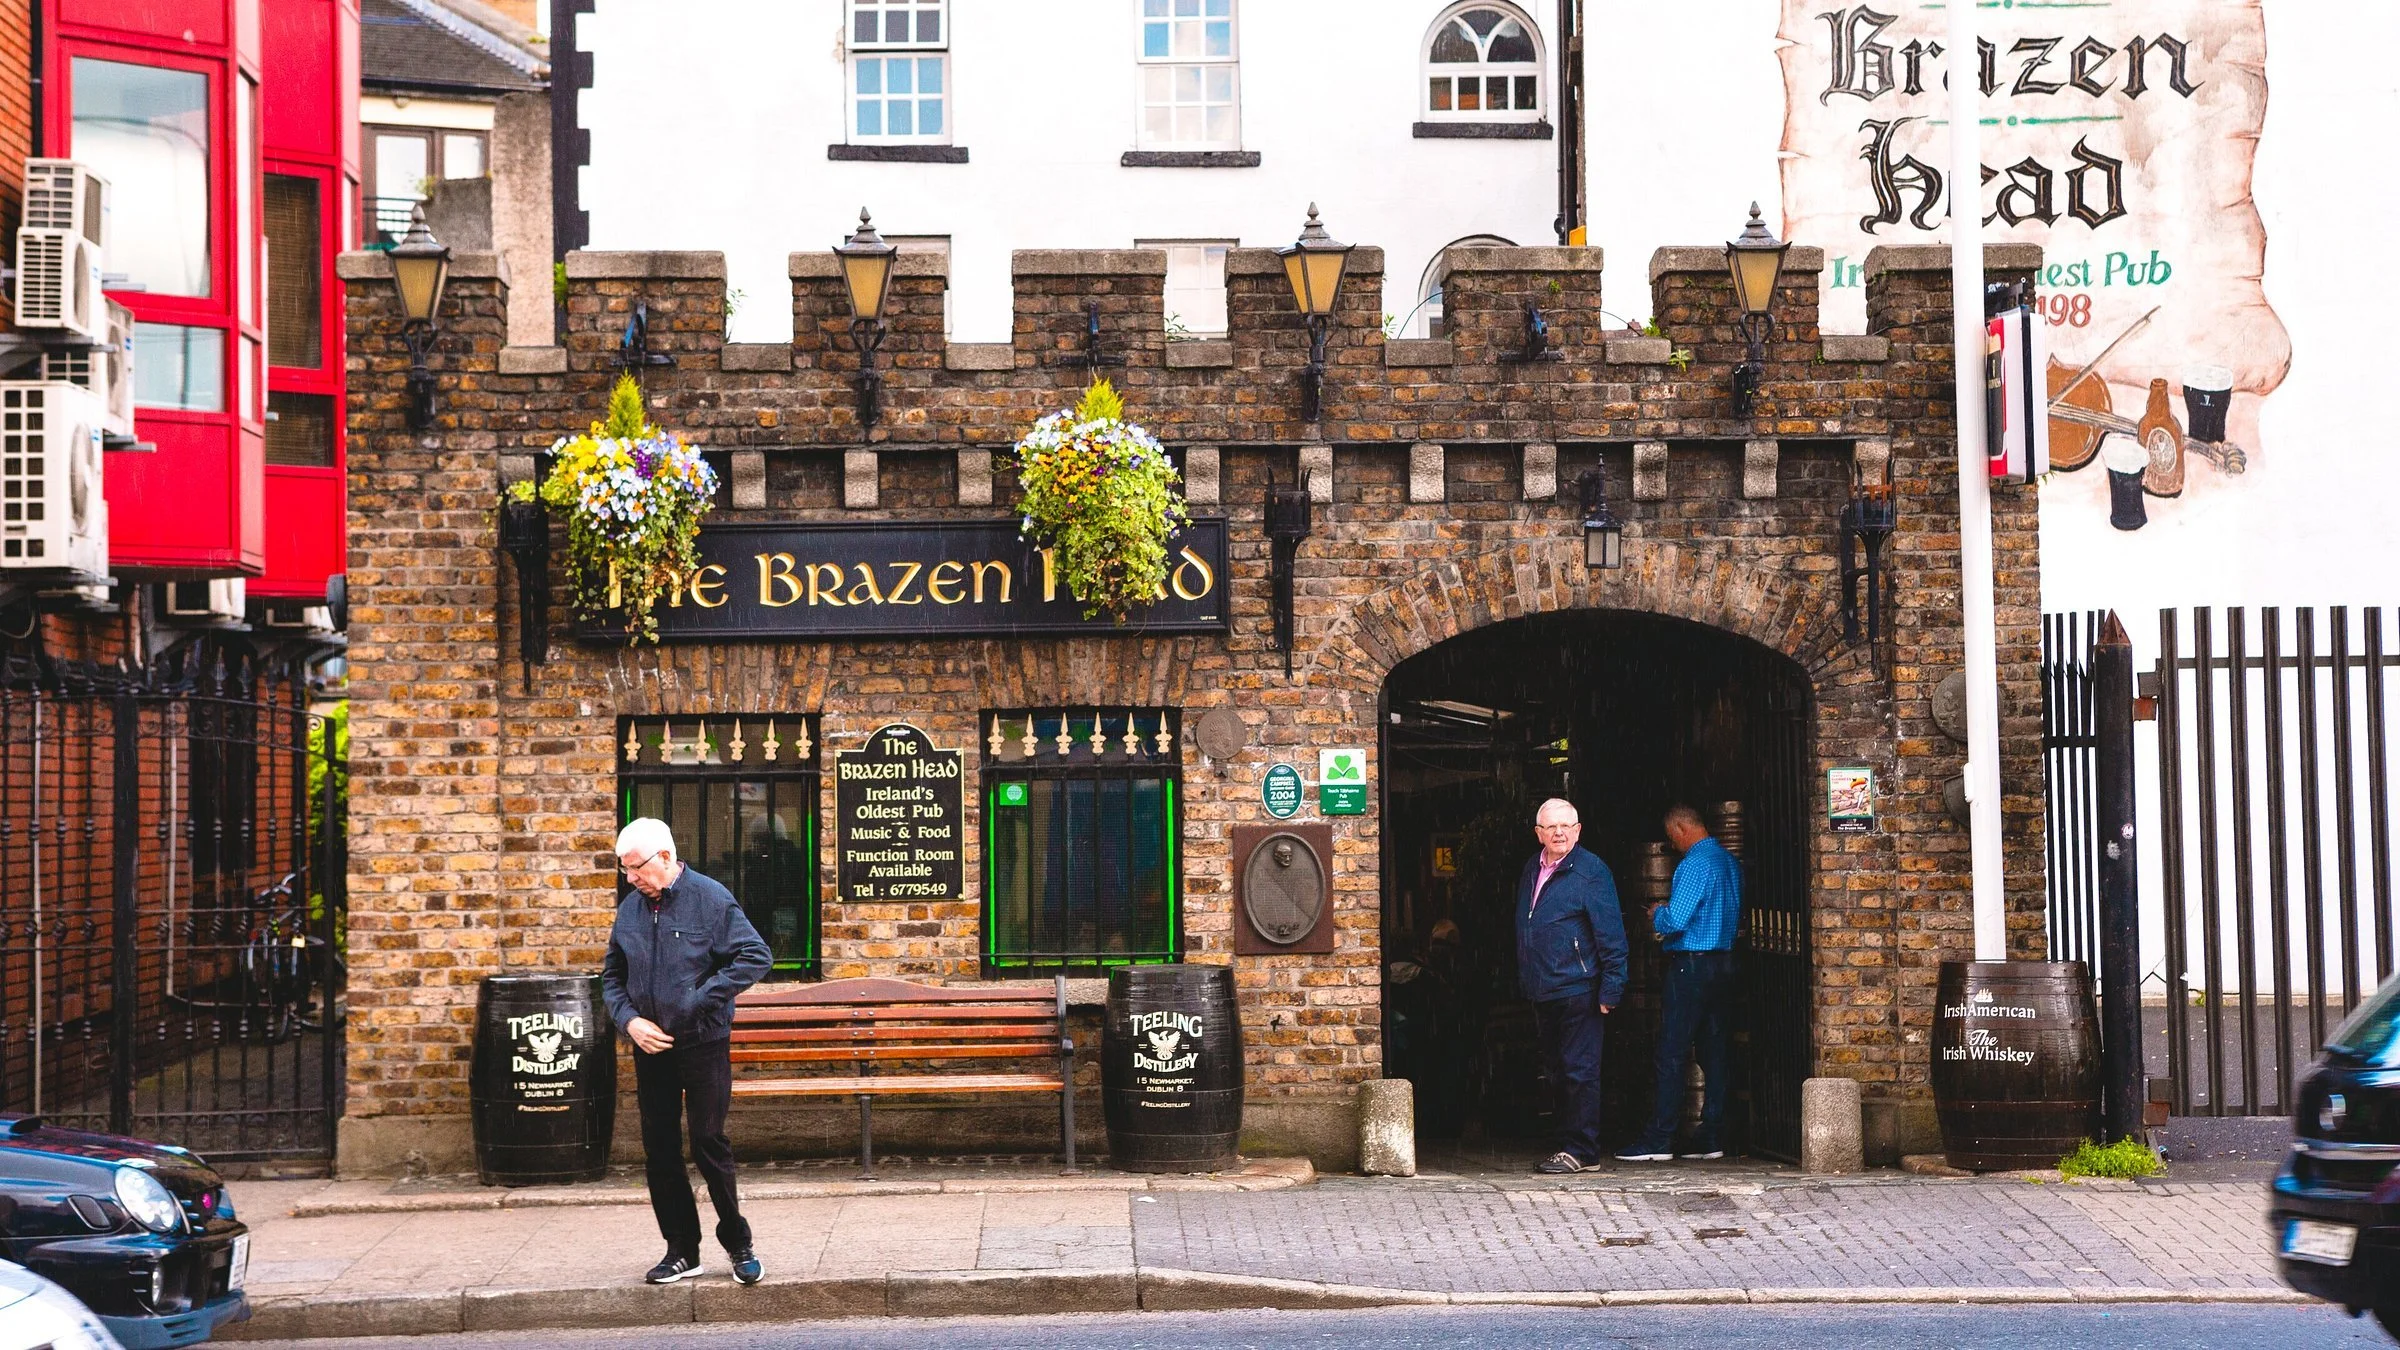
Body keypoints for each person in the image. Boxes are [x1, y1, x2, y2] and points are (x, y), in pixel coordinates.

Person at [602, 817, 773, 1285]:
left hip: (703, 1043)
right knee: (659, 1149)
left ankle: (739, 1245)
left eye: (635, 868)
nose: (630, 878)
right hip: (650, 1046)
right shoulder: (631, 910)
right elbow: (612, 977)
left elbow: (756, 955)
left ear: (663, 857)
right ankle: (681, 1249)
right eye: (624, 871)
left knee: (707, 1142)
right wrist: (630, 1021)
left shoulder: (710, 898)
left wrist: (700, 998)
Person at [1618, 804, 1743, 1162]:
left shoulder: (1694, 864)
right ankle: (1712, 1135)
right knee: (1714, 1052)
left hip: (1691, 967)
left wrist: (1657, 912)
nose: (1672, 844)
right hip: (1725, 963)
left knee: (1671, 1052)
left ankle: (1659, 1138)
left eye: (1672, 836)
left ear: (1681, 827)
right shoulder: (1729, 862)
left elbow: (1676, 920)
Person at [1514, 798, 1629, 1174]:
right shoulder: (1534, 867)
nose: (1559, 833)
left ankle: (1583, 1151)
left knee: (1580, 1070)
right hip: (1544, 988)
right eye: (1550, 827)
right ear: (1538, 834)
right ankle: (1567, 1144)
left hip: (1579, 987)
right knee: (1559, 1070)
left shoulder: (1591, 872)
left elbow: (1611, 933)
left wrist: (1612, 987)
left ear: (1578, 830)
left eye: (1566, 826)